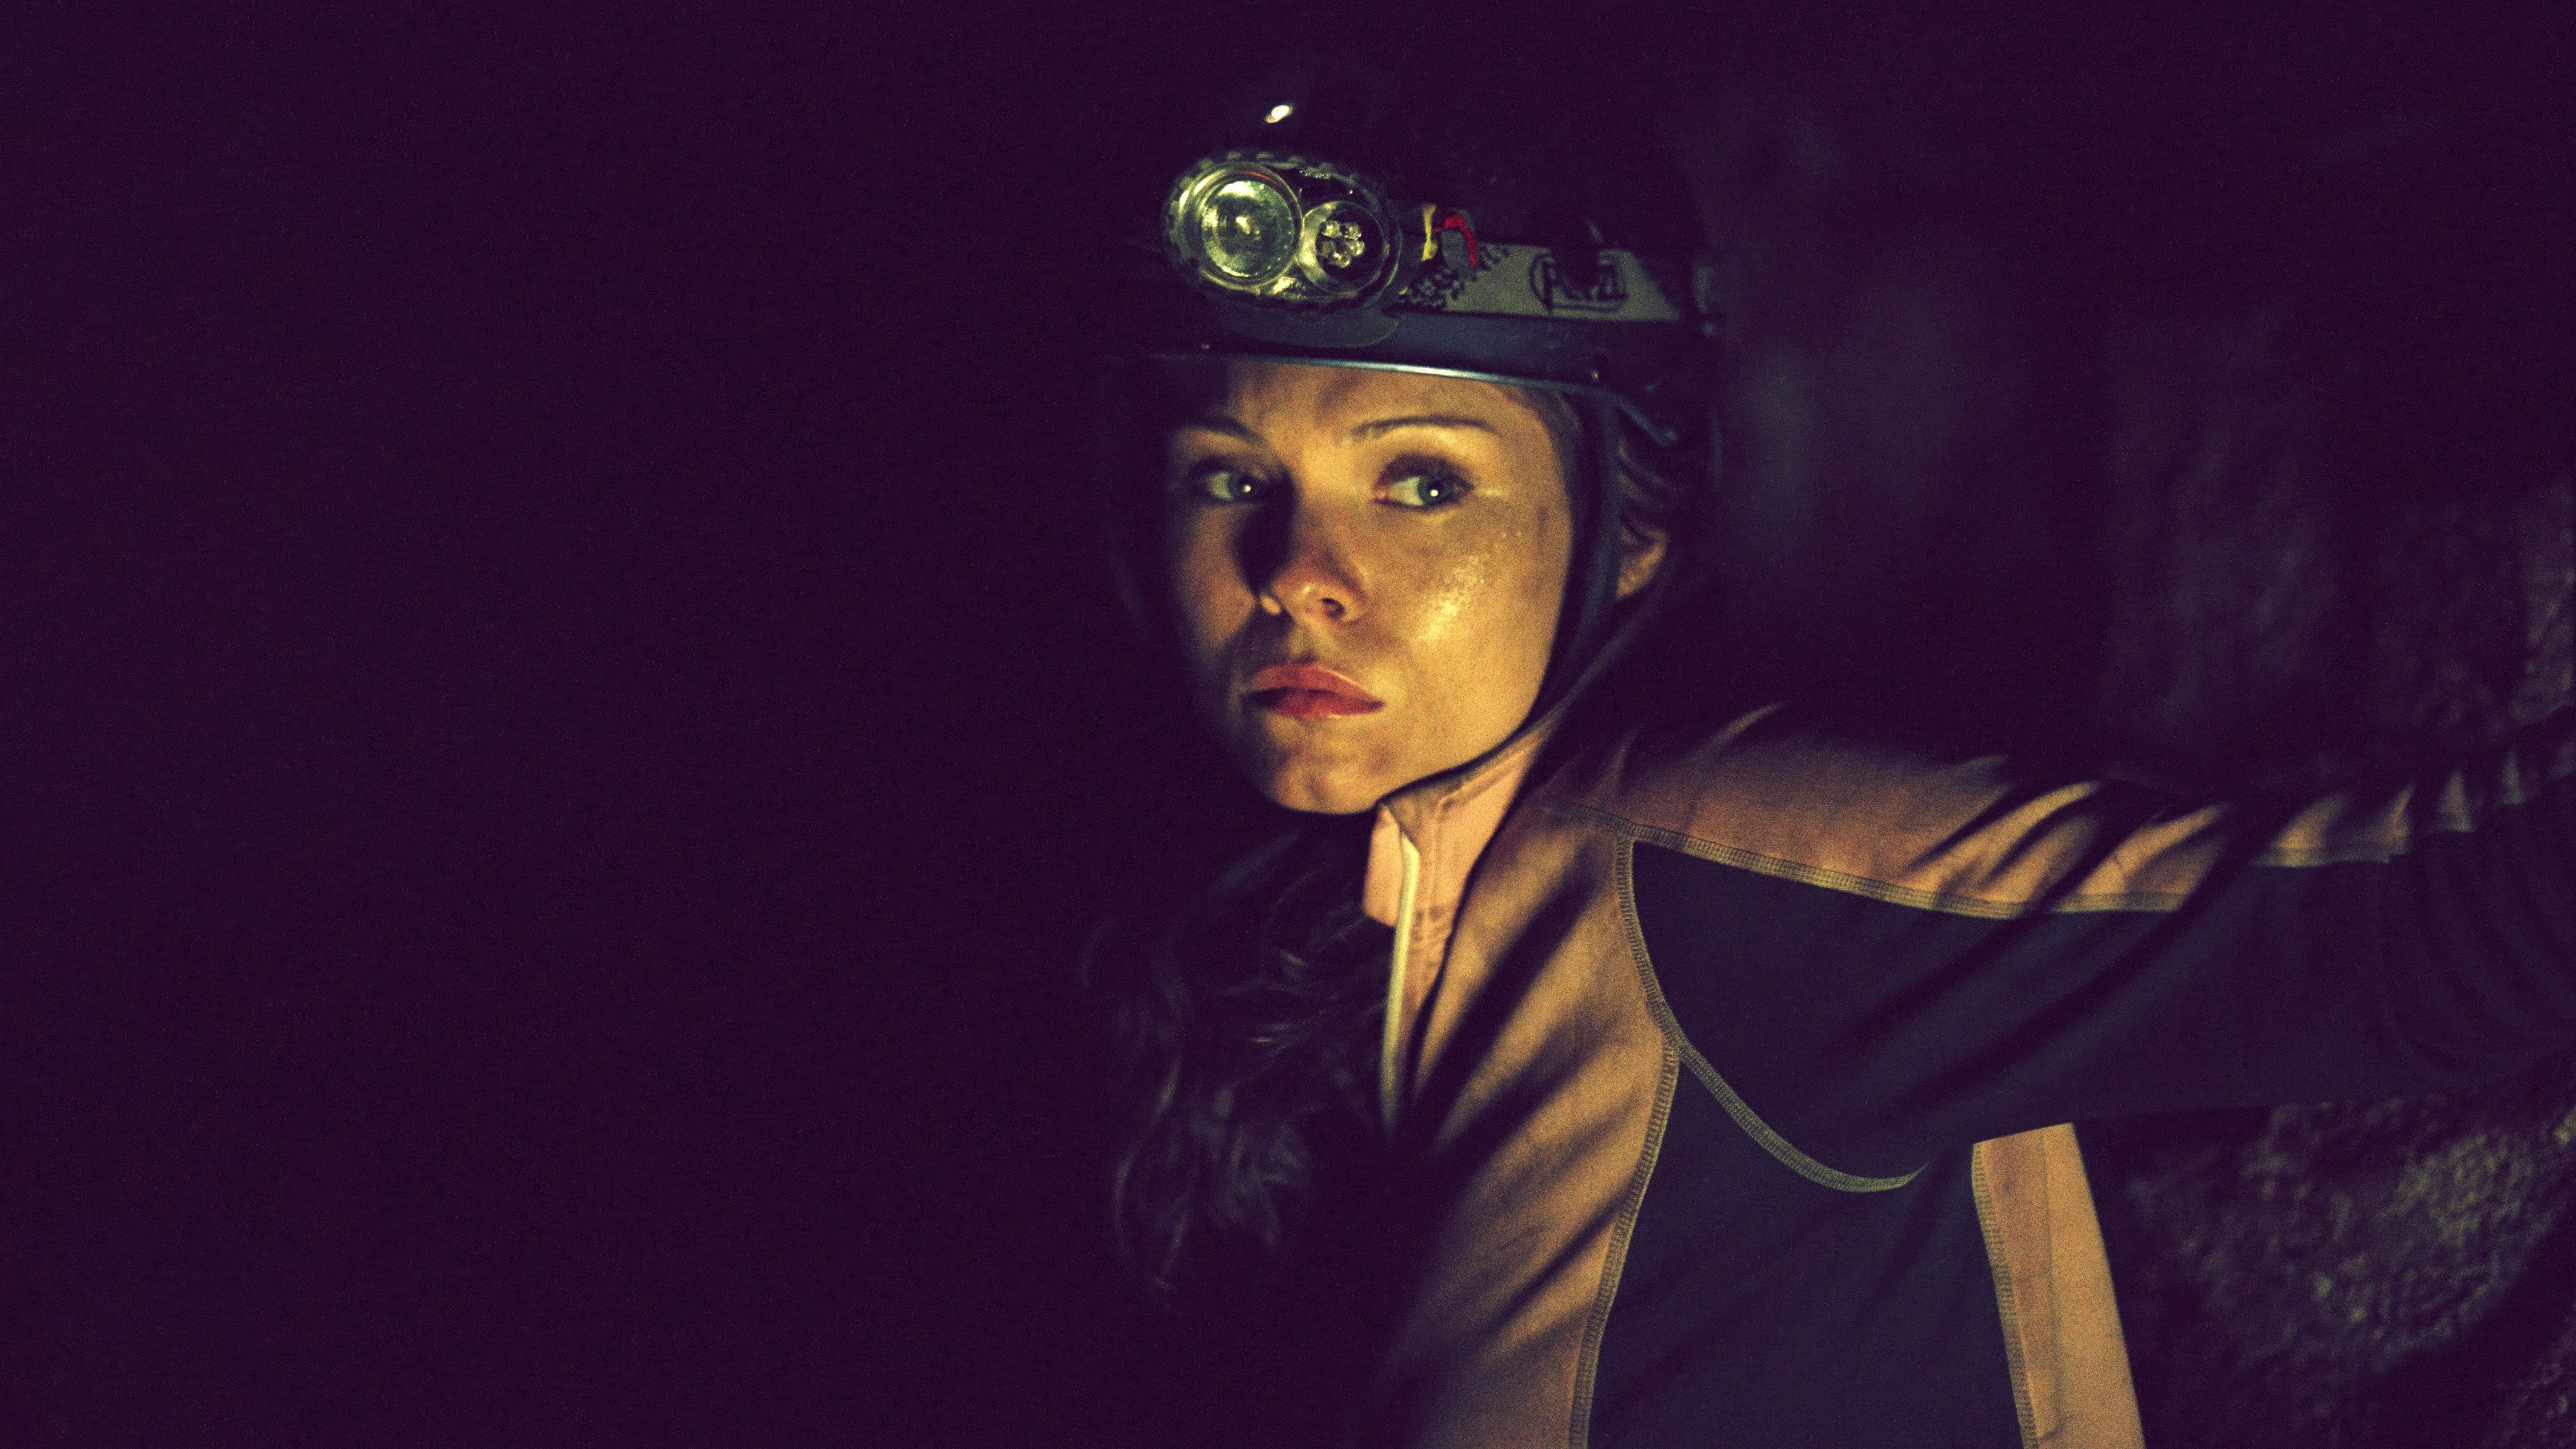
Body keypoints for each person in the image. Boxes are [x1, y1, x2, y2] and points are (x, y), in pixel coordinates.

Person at [1087, 51, 2576, 1449]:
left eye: (1423, 481)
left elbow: (2426, 925)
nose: (1296, 574)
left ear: (1632, 534)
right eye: (1230, 477)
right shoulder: (1308, 952)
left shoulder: (1712, 878)